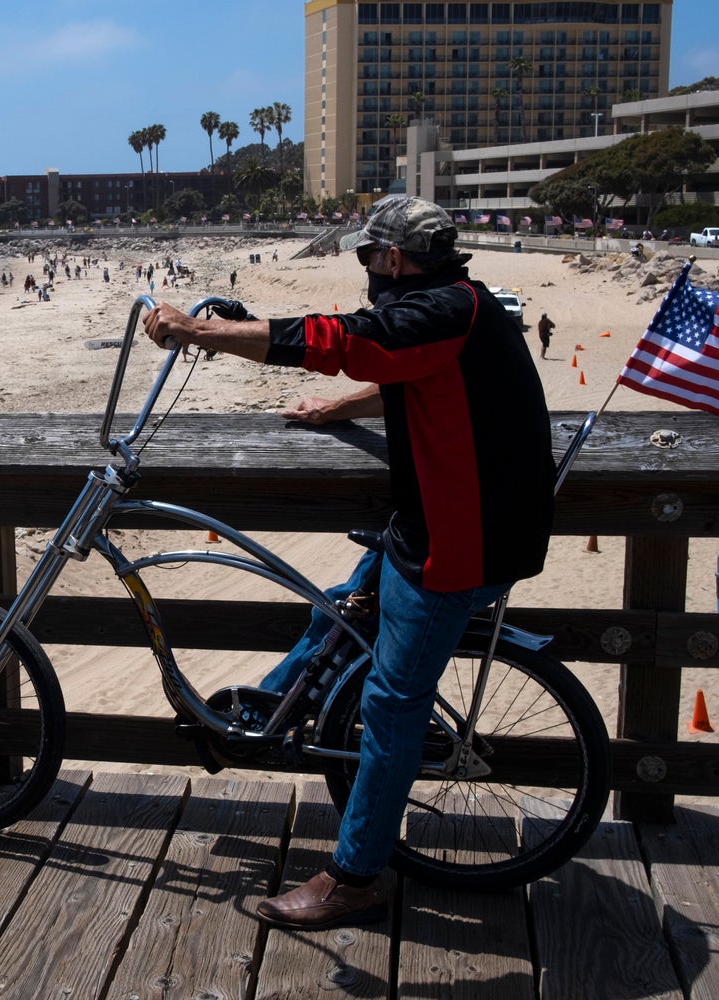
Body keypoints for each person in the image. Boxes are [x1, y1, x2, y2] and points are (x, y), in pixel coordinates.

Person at [141, 196, 553, 930]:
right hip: (438, 525)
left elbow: (344, 339)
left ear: (393, 259)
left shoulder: (440, 311)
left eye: (368, 256)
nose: (367, 270)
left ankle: (356, 878)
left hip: (458, 546)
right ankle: (250, 721)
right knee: (337, 607)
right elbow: (406, 370)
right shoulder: (461, 307)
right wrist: (339, 411)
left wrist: (198, 330)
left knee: (392, 709)